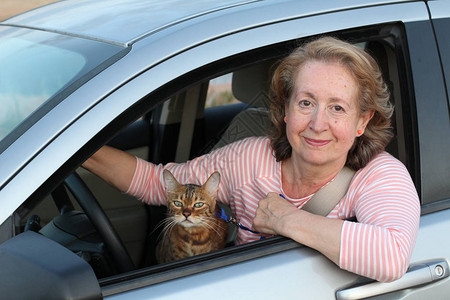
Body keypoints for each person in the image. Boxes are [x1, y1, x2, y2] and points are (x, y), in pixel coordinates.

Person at [82, 36, 420, 282]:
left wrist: (286, 220)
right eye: (305, 103)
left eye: (337, 108)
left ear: (362, 121)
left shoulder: (380, 176)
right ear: (285, 110)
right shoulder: (250, 158)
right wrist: (80, 151)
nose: (318, 124)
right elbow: (156, 183)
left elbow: (390, 255)